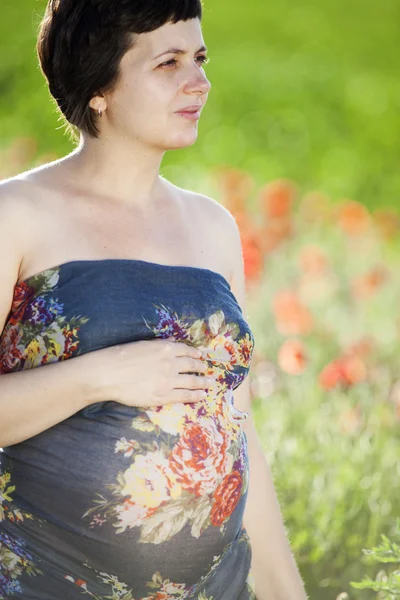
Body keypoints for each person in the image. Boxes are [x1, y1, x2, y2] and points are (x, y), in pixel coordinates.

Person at [0, 1, 308, 598]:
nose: (199, 82)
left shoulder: (214, 227)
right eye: (168, 63)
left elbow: (238, 432)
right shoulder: (16, 216)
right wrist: (101, 375)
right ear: (98, 87)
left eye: (199, 58)